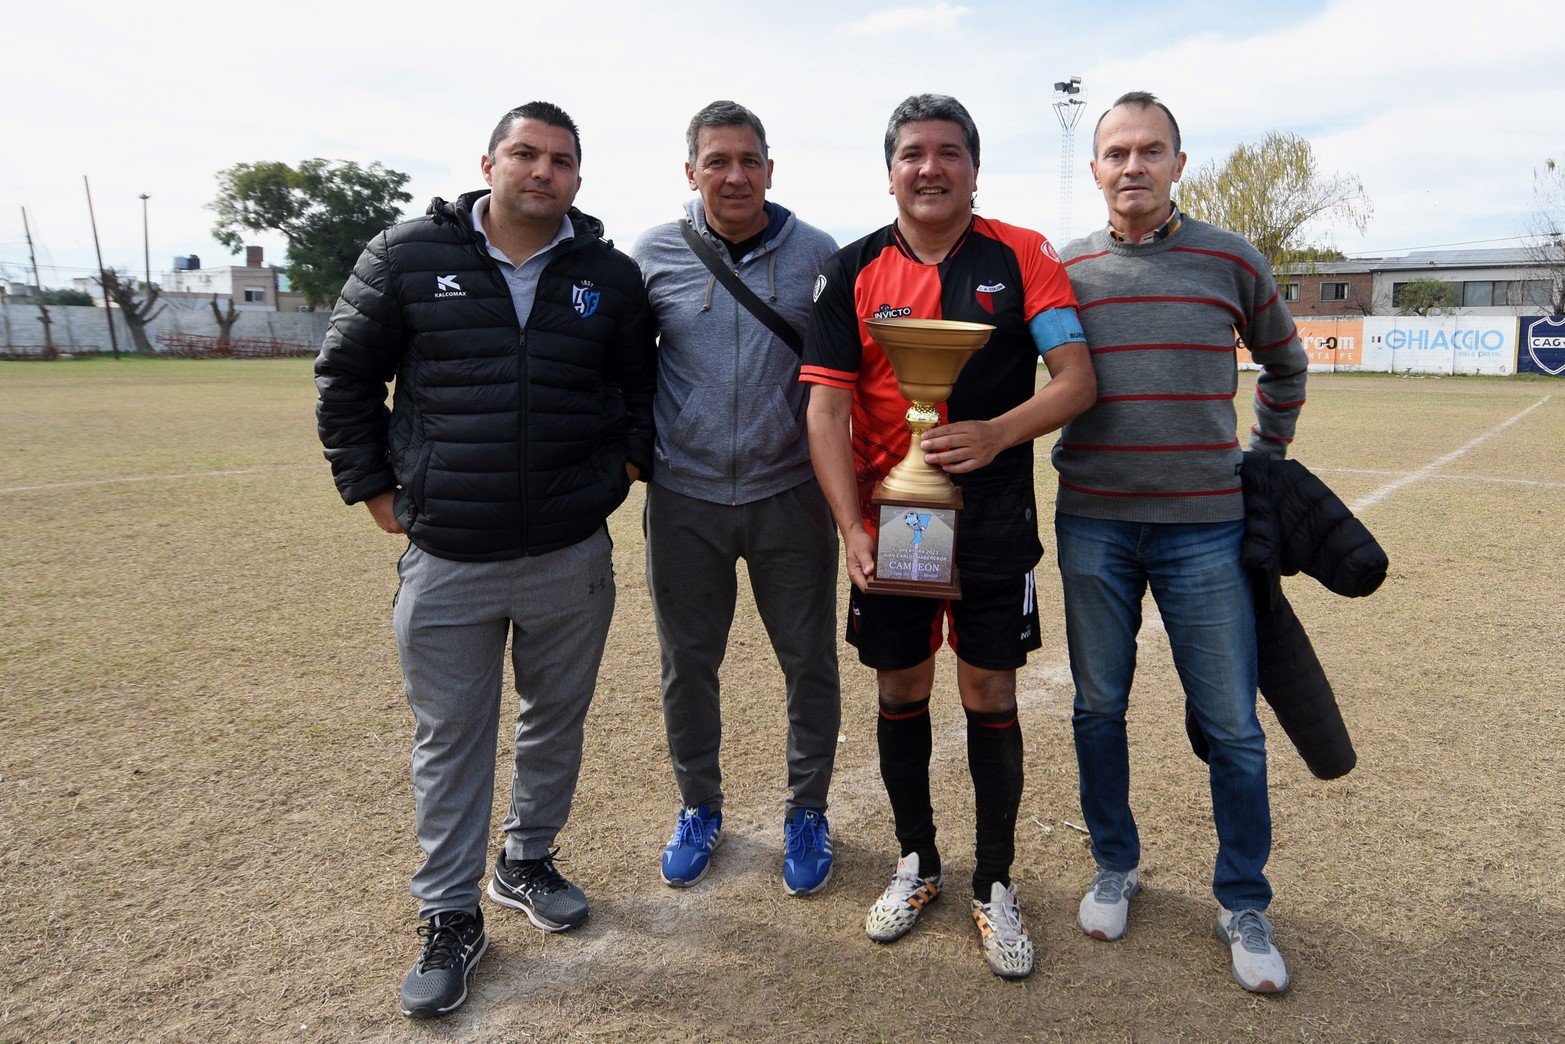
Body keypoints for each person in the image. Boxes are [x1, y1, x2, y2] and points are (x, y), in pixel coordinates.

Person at [314, 101, 657, 1019]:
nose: (542, 171)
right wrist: (376, 490)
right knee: (450, 736)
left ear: (577, 177)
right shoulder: (405, 255)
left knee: (555, 719)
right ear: (488, 162)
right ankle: (449, 913)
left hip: (567, 551)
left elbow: (639, 388)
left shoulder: (608, 275)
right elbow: (345, 375)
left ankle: (527, 859)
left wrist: (618, 472)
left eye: (561, 160)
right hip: (448, 555)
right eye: (526, 154)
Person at [803, 94, 1095, 979]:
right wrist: (851, 524)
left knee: (987, 692)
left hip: (994, 518)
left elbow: (1075, 379)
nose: (928, 168)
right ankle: (916, 862)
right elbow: (823, 405)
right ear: (888, 169)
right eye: (911, 154)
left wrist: (1000, 433)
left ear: (973, 166)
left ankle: (995, 880)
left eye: (947, 153)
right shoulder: (851, 268)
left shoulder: (1021, 254)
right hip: (897, 516)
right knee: (900, 685)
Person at [1054, 91, 1308, 994]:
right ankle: (1114, 864)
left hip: (1206, 529)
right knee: (1096, 708)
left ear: (1177, 163)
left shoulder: (1230, 258)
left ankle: (1243, 898)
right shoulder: (1063, 266)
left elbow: (1285, 361)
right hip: (1091, 521)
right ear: (1095, 170)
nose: (1132, 167)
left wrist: (1263, 461)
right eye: (1115, 152)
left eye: (1149, 151)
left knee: (1235, 728)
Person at [630, 101, 842, 895]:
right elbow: (622, 369)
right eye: (717, 161)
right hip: (683, 497)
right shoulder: (651, 254)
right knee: (687, 664)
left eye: (748, 160)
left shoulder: (819, 253)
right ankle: (698, 806)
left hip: (789, 491)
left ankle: (807, 809)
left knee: (807, 662)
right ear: (691, 171)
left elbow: (840, 377)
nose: (734, 175)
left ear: (770, 169)